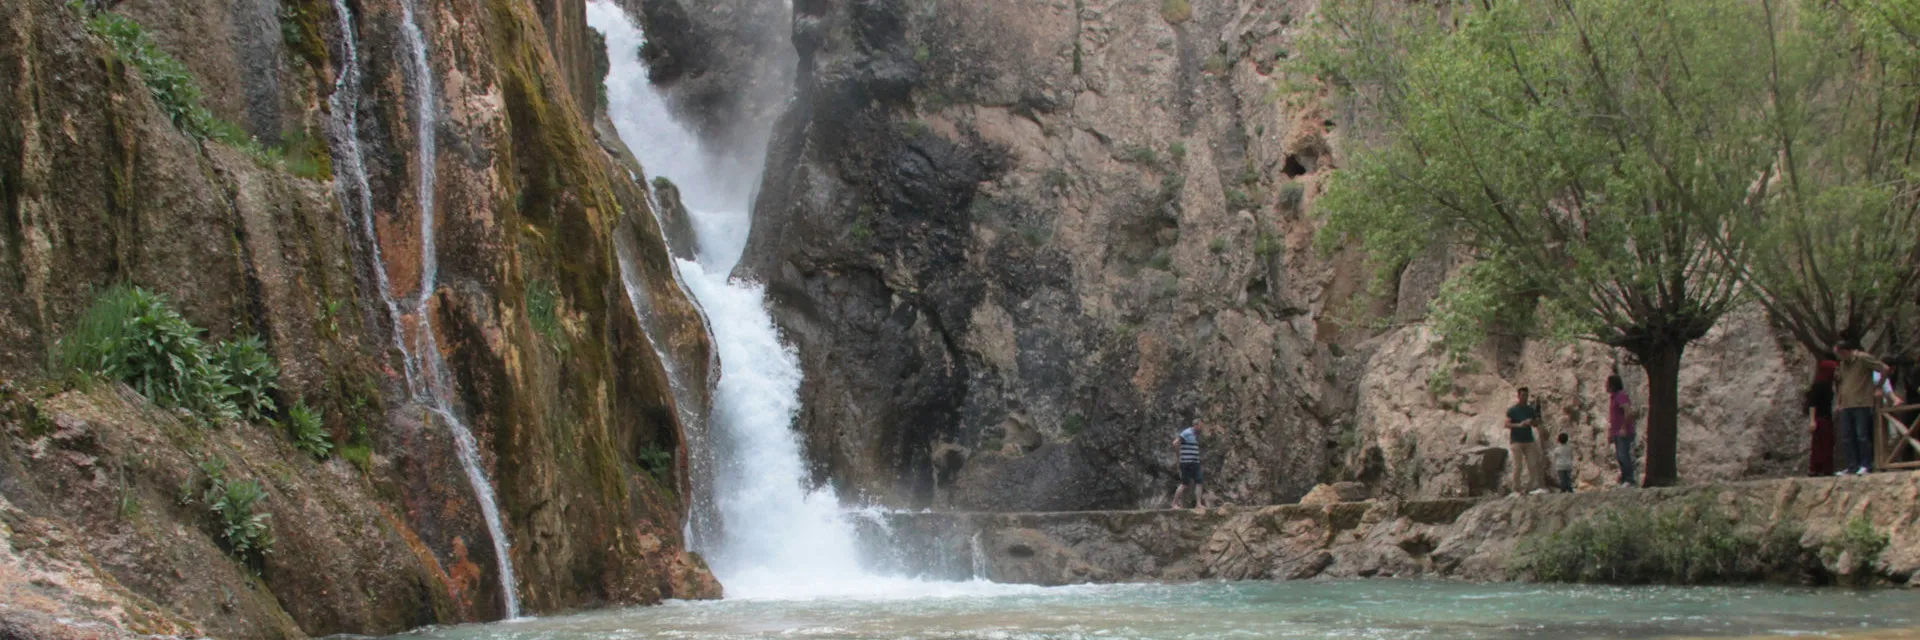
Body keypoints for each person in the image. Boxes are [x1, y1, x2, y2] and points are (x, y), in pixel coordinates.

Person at [1835, 341, 1892, 475]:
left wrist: (1878, 386)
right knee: (1847, 437)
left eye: (1839, 353)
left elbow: (1884, 368)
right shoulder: (1843, 364)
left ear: (1845, 351)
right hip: (1847, 404)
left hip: (1862, 402)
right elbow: (1843, 384)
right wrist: (1839, 402)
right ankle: (1852, 465)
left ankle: (1866, 464)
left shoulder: (1862, 358)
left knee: (1862, 435)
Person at [1506, 388, 1550, 494]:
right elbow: (1507, 424)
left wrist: (1532, 422)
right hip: (1516, 440)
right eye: (1523, 395)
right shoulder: (1512, 410)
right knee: (1518, 466)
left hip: (1528, 439)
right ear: (1518, 396)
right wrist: (1519, 425)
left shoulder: (1530, 410)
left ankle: (1531, 487)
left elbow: (1536, 423)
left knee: (1533, 464)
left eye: (1526, 395)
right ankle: (1516, 488)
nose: (1525, 397)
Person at [1806, 360, 1838, 477]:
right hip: (1820, 418)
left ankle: (1825, 468)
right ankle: (1816, 468)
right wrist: (1812, 420)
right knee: (1820, 445)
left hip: (1826, 417)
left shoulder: (1829, 385)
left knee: (1827, 444)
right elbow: (1812, 404)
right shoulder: (1819, 385)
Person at [1606, 375, 1637, 488]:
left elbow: (1627, 411)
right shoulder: (1613, 397)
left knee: (1624, 455)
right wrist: (1610, 432)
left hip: (1623, 431)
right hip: (1616, 432)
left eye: (1608, 383)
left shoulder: (1621, 395)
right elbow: (1613, 417)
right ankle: (1625, 479)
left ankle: (1630, 480)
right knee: (1620, 456)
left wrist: (1624, 427)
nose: (1606, 385)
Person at [1171, 420, 1209, 510]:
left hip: (1195, 462)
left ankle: (1198, 504)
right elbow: (1175, 443)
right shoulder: (1187, 432)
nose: (1201, 428)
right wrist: (1178, 456)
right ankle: (1174, 504)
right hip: (1186, 462)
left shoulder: (1195, 434)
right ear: (1195, 425)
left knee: (1199, 482)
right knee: (1184, 484)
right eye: (1200, 426)